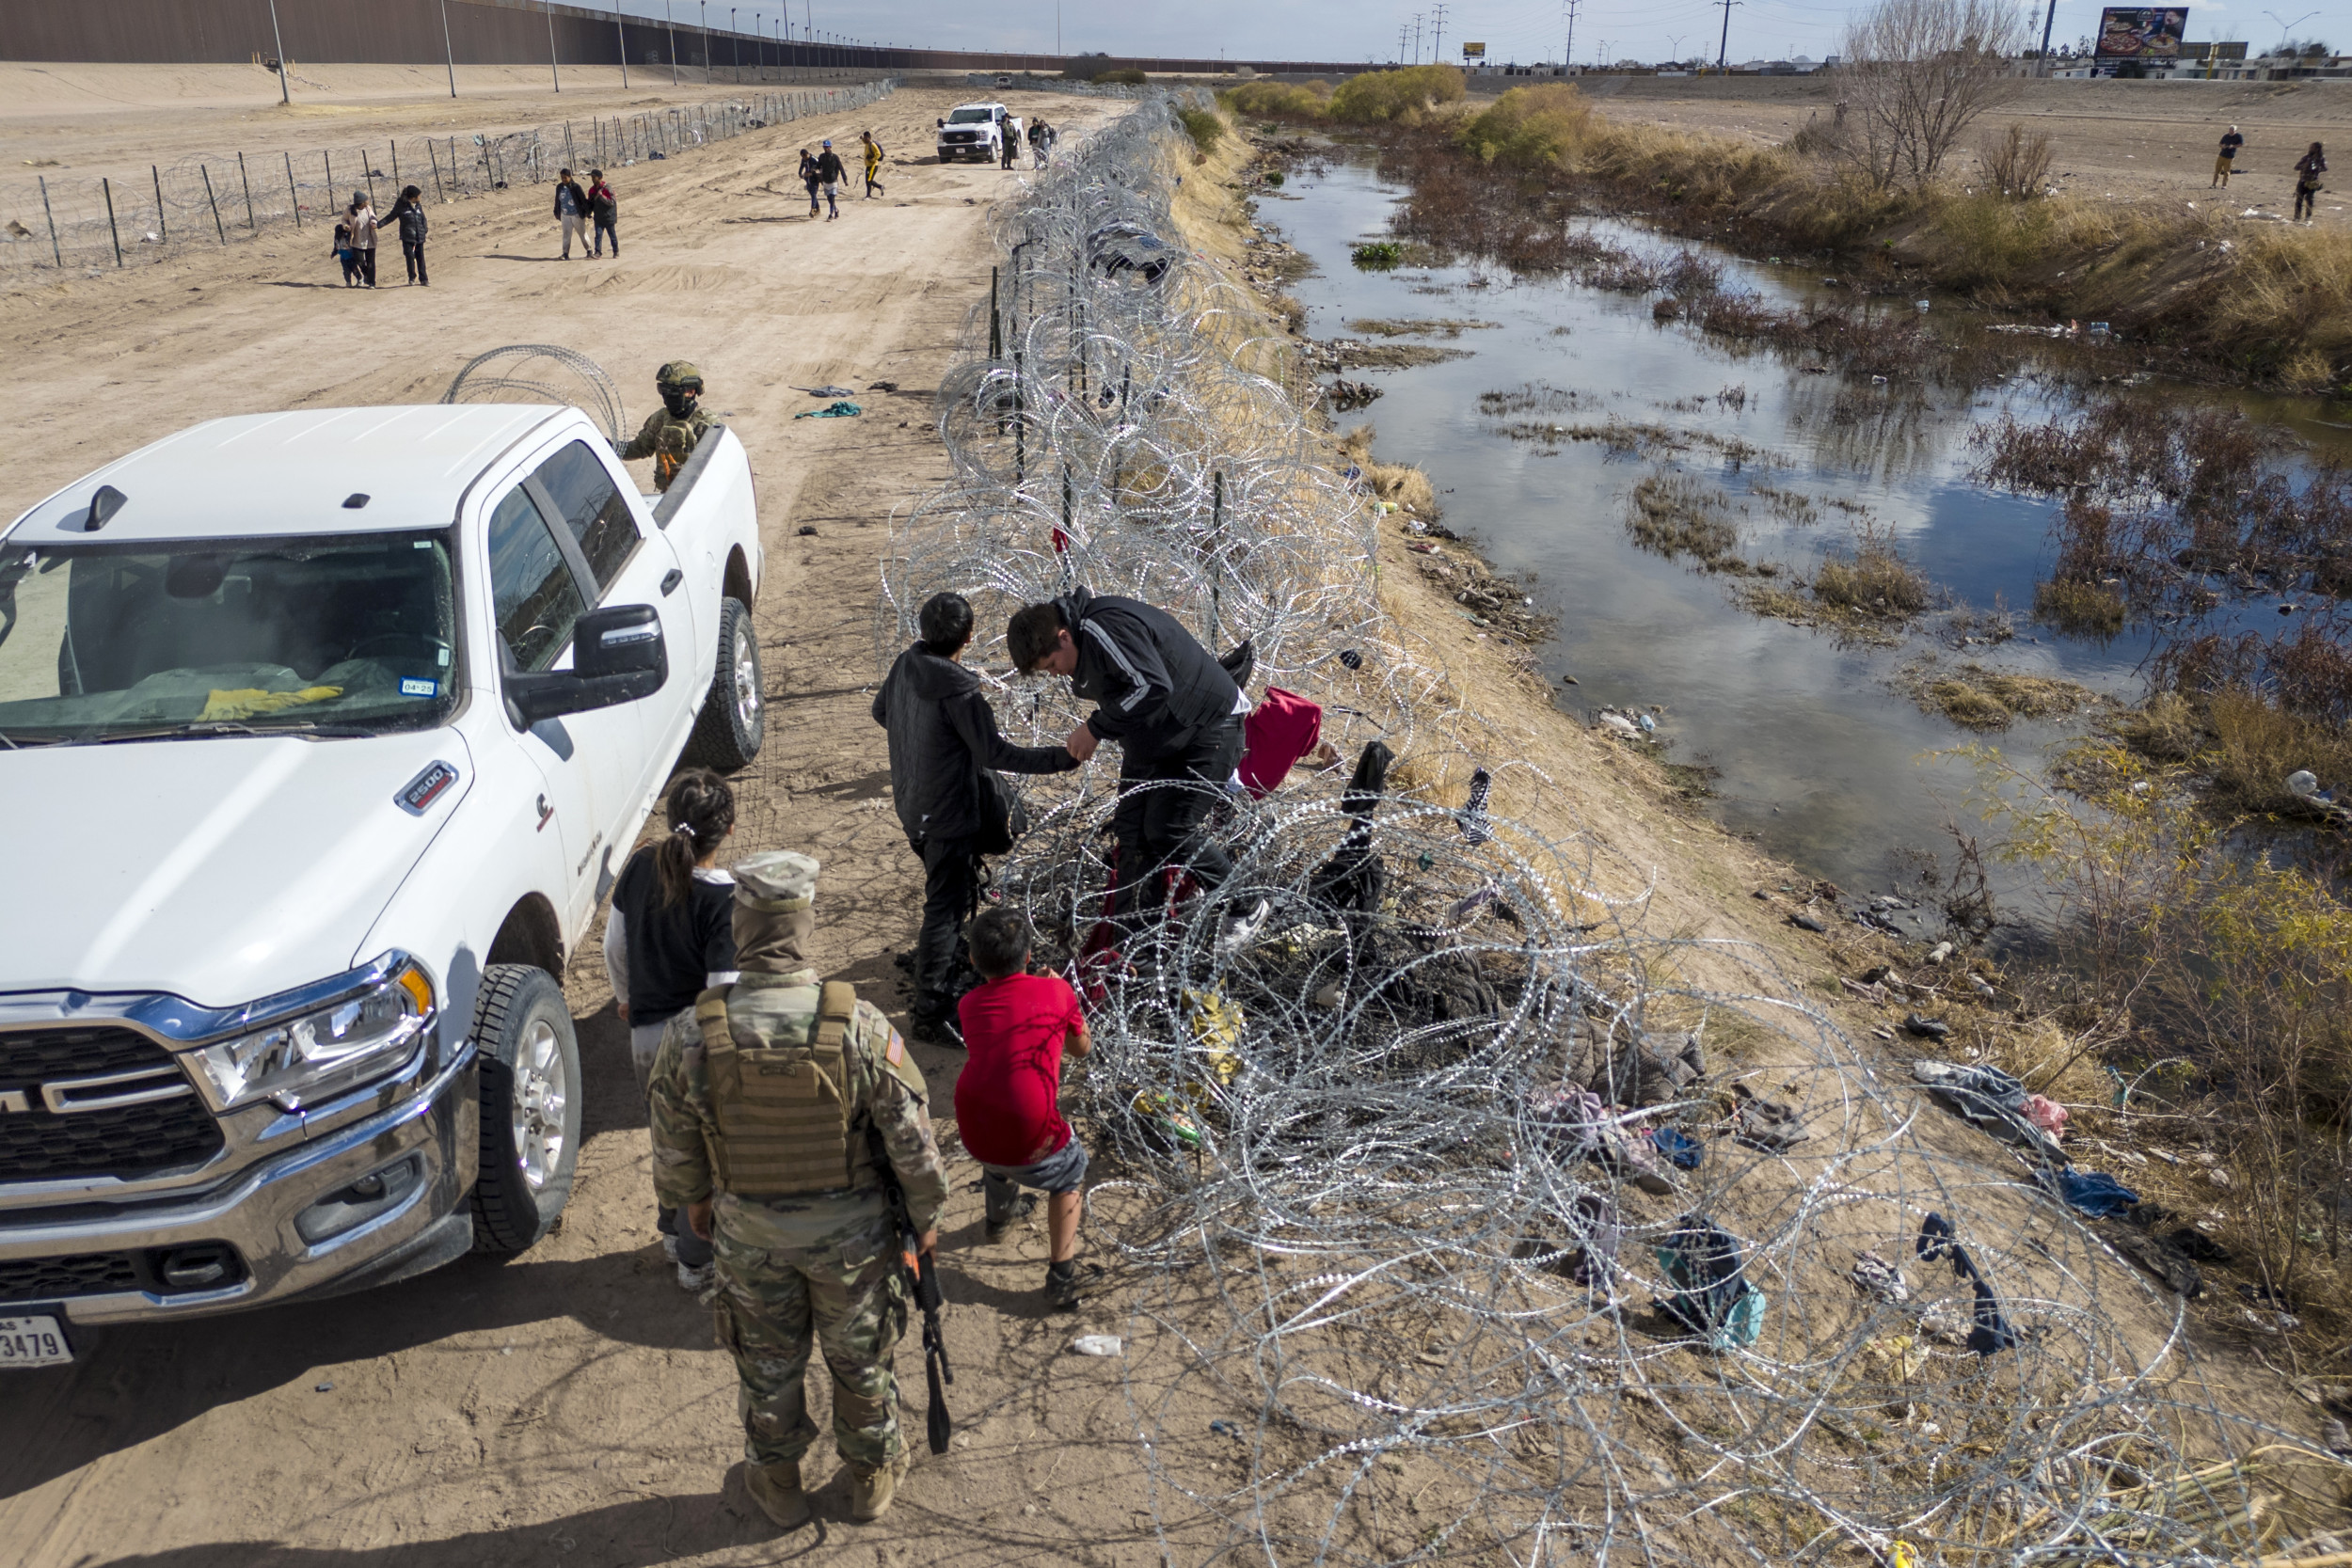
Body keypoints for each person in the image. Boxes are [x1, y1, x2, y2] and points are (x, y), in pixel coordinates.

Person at [646, 850, 948, 1530]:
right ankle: (871, 1474)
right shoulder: (859, 1026)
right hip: (853, 1243)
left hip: (751, 1241)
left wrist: (700, 1201)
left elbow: (674, 1140)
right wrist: (925, 1216)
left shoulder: (693, 1032)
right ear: (805, 926)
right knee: (860, 1356)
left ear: (743, 926)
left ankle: (778, 1480)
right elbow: (911, 1141)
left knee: (769, 1365)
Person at [1007, 588, 1268, 950]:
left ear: (1062, 636)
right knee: (1132, 835)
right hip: (1156, 737)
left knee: (1169, 829)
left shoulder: (1104, 627)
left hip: (1207, 727)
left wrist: (1095, 728)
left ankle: (1247, 903)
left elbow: (1152, 686)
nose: (1056, 674)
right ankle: (1135, 941)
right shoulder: (1081, 639)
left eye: (1052, 664)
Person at [871, 592, 1080, 1041]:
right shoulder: (960, 693)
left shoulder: (906, 665)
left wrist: (926, 746)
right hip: (947, 813)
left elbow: (881, 711)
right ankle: (931, 1010)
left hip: (912, 803)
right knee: (943, 909)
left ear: (923, 632)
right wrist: (1059, 758)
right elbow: (994, 752)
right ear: (969, 636)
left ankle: (947, 969)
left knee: (950, 892)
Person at [605, 769, 738, 1291]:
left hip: (644, 1035)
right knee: (701, 1148)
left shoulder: (639, 865)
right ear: (727, 831)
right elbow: (723, 986)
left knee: (665, 1134)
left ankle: (668, 1231)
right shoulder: (722, 897)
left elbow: (614, 946)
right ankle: (695, 1259)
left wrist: (624, 998)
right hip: (694, 1044)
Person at [953, 908, 1091, 1309]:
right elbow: (1082, 1051)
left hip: (974, 1122)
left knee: (997, 1141)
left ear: (974, 961)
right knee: (1072, 1171)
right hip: (1027, 1127)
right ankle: (1061, 1276)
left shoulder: (968, 1004)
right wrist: (1064, 996)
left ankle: (999, 1220)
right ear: (1029, 955)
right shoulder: (1058, 992)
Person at [619, 361, 713, 491]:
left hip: (699, 494)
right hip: (667, 494)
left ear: (691, 392)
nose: (667, 396)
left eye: (674, 391)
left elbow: (720, 465)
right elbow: (641, 447)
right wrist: (611, 447)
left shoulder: (708, 424)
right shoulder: (661, 418)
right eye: (663, 390)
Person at [385, 184, 428, 286]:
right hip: (407, 236)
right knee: (410, 258)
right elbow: (391, 217)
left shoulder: (418, 205)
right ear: (413, 197)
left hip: (419, 236)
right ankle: (412, 277)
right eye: (418, 196)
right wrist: (378, 225)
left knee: (421, 258)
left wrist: (424, 229)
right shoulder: (401, 205)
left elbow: (423, 218)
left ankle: (424, 279)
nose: (420, 197)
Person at [342, 191, 378, 288]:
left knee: (371, 262)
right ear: (361, 203)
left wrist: (374, 222)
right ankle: (366, 274)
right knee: (359, 260)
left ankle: (372, 282)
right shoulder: (350, 210)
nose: (367, 202)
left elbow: (373, 217)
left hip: (369, 239)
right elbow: (344, 219)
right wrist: (345, 225)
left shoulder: (368, 209)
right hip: (356, 240)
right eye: (366, 200)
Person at [554, 166, 589, 258]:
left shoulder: (576, 187)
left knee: (582, 233)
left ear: (570, 177)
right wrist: (556, 211)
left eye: (565, 177)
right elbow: (557, 200)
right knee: (566, 235)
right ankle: (565, 254)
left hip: (576, 215)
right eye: (562, 178)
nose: (563, 179)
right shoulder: (559, 187)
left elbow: (583, 200)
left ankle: (589, 250)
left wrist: (587, 212)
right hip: (565, 215)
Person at [588, 167, 619, 256]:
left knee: (612, 236)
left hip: (609, 217)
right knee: (598, 236)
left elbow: (612, 203)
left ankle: (616, 251)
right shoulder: (592, 190)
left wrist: (601, 197)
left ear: (600, 177)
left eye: (594, 177)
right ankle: (598, 252)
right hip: (598, 217)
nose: (592, 179)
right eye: (592, 177)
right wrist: (588, 212)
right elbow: (590, 203)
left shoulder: (607, 188)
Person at [2295, 142, 2327, 224]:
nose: (2312, 149)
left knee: (2309, 199)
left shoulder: (2320, 159)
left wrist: (2317, 168)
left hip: (2312, 182)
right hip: (2302, 181)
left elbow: (2324, 168)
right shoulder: (2306, 158)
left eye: (2313, 147)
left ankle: (2307, 218)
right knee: (2299, 200)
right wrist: (2305, 166)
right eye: (2311, 147)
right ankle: (2297, 217)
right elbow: (2296, 167)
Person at [815, 140, 846, 220]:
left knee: (832, 197)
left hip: (833, 180)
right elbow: (818, 166)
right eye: (824, 147)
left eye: (827, 147)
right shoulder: (821, 157)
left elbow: (841, 168)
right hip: (825, 180)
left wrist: (845, 179)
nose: (826, 148)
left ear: (830, 147)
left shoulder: (835, 157)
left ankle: (831, 214)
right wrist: (813, 169)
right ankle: (836, 210)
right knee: (829, 198)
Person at [330, 216, 360, 286]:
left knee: (354, 269)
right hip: (343, 258)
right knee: (346, 271)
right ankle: (348, 282)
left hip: (351, 256)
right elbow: (336, 247)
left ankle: (360, 279)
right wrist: (333, 253)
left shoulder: (347, 237)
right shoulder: (337, 239)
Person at [2213, 124, 2243, 188]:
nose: (2231, 131)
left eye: (2232, 130)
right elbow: (2220, 144)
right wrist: (2222, 146)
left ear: (2235, 130)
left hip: (2230, 156)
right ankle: (2213, 184)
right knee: (2217, 170)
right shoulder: (2226, 136)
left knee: (2227, 171)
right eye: (2230, 129)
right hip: (2222, 155)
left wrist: (2233, 146)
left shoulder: (2238, 136)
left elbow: (2241, 144)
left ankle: (2224, 185)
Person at [860, 130, 885, 198]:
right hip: (868, 165)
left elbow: (878, 154)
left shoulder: (872, 145)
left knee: (869, 180)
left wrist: (872, 159)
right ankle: (880, 187)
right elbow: (864, 141)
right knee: (868, 181)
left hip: (873, 165)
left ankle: (868, 195)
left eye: (866, 138)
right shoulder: (867, 143)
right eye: (864, 138)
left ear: (869, 138)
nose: (864, 139)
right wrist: (862, 139)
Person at [798, 147, 821, 216]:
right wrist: (800, 173)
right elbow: (802, 166)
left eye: (804, 156)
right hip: (808, 179)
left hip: (815, 179)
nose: (803, 158)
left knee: (814, 194)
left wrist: (812, 174)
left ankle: (813, 209)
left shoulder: (814, 160)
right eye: (802, 157)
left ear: (807, 154)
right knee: (812, 194)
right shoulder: (804, 159)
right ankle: (817, 208)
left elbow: (820, 169)